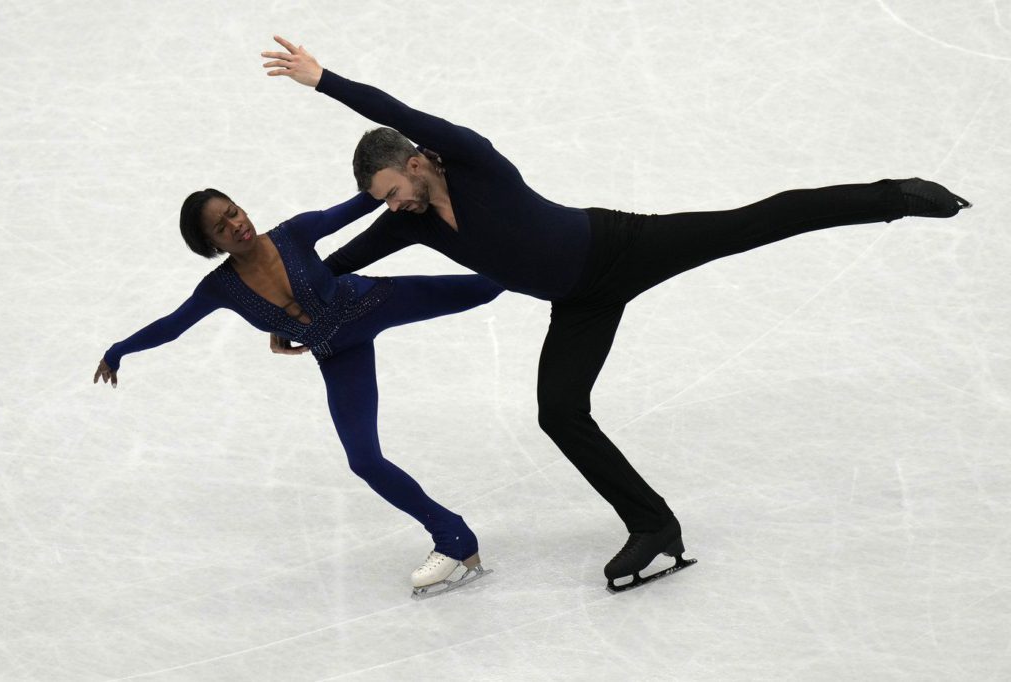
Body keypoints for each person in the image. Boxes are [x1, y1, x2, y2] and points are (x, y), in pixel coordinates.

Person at [259, 36, 972, 592]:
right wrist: (294, 315)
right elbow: (334, 266)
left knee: (752, 221)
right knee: (559, 411)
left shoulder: (468, 160)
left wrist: (323, 81)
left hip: (622, 246)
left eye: (393, 190)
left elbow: (398, 112)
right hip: (578, 302)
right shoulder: (414, 224)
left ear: (415, 162)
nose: (394, 206)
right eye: (383, 202)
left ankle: (893, 195)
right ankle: (655, 527)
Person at [94, 189, 502, 598]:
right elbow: (173, 324)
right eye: (222, 227)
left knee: (489, 284)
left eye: (234, 212)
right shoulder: (220, 288)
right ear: (212, 246)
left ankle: (560, 267)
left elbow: (364, 201)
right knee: (364, 460)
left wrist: (412, 168)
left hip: (373, 303)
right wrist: (118, 351)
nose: (237, 225)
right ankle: (453, 535)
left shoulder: (294, 233)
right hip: (339, 356)